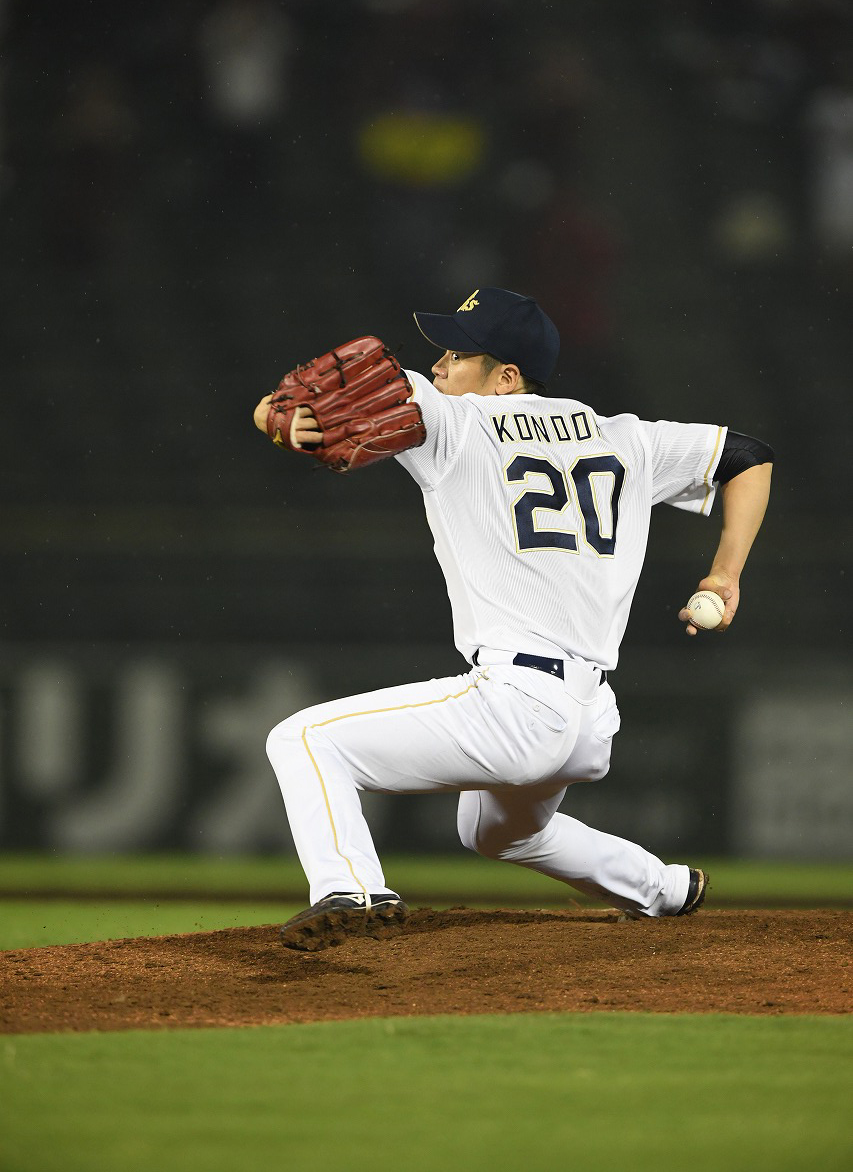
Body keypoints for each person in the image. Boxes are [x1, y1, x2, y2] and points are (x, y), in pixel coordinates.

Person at [254, 287, 773, 951]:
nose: (438, 366)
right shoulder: (625, 438)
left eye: (456, 355)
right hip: (589, 719)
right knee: (496, 832)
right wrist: (724, 575)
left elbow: (298, 403)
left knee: (303, 739)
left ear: (505, 378)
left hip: (517, 703)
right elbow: (748, 456)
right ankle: (662, 887)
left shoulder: (455, 422)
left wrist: (276, 417)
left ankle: (354, 891)